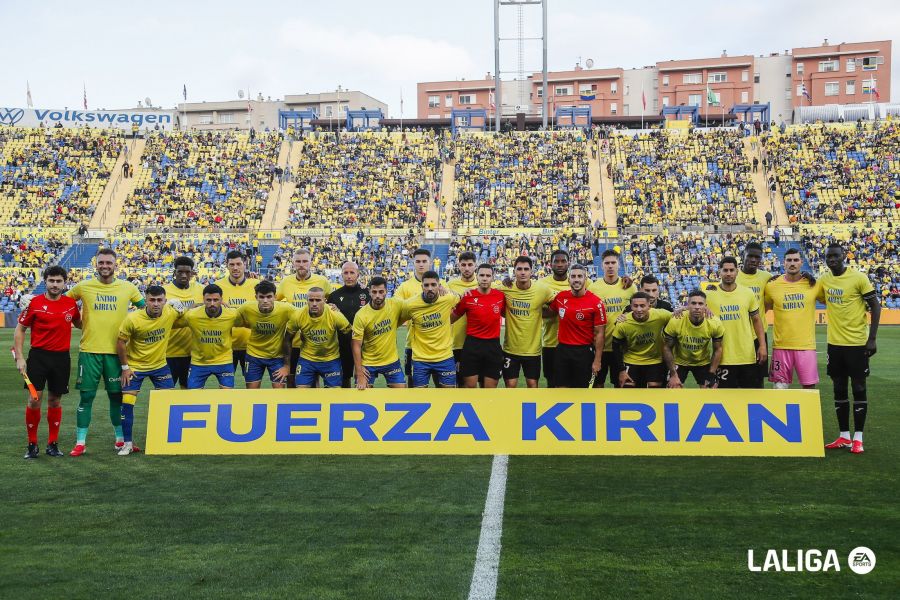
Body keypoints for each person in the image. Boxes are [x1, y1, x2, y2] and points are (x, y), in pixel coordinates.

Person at [66, 249, 145, 457]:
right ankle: (80, 442)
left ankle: (120, 440)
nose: (105, 266)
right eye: (101, 262)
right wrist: (77, 322)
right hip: (89, 351)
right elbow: (64, 303)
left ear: (115, 265)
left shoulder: (128, 287)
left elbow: (145, 310)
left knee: (116, 397)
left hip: (116, 353)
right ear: (96, 264)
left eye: (108, 263)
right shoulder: (84, 286)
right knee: (87, 396)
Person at [819, 243, 881, 453]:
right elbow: (814, 291)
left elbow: (875, 305)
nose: (832, 260)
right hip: (835, 344)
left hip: (856, 343)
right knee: (838, 388)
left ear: (843, 256)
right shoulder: (824, 279)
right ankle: (844, 436)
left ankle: (858, 438)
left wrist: (872, 339)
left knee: (859, 388)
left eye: (835, 256)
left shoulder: (858, 278)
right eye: (829, 257)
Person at [14, 266, 81, 459]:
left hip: (61, 358)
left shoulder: (70, 304)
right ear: (45, 281)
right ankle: (32, 445)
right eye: (51, 280)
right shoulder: (34, 303)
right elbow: (20, 329)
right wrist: (19, 357)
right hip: (38, 357)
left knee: (55, 400)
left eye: (59, 281)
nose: (55, 284)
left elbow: (79, 323)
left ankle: (52, 444)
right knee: (35, 399)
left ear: (65, 282)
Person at [116, 286, 183, 456]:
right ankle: (128, 443)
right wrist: (125, 367)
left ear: (165, 301)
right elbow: (121, 342)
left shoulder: (170, 312)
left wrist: (187, 306)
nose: (155, 304)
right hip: (135, 367)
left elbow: (191, 310)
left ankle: (165, 440)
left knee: (169, 404)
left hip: (160, 366)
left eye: (159, 300)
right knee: (127, 404)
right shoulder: (133, 319)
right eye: (152, 300)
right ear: (145, 300)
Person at [704, 257, 768, 388]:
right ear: (719, 272)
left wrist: (762, 346)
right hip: (723, 358)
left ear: (737, 272)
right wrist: (682, 309)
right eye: (725, 270)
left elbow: (756, 320)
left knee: (751, 399)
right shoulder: (709, 295)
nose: (728, 273)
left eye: (731, 270)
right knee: (726, 400)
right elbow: (694, 307)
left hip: (747, 355)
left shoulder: (747, 293)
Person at [764, 249, 823, 390]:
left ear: (801, 262)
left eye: (796, 260)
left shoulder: (813, 284)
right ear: (783, 263)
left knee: (809, 387)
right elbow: (763, 309)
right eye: (789, 260)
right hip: (781, 346)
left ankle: (807, 413)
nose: (792, 263)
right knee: (779, 388)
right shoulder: (772, 286)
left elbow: (833, 302)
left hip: (806, 346)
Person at [496, 256, 557, 389]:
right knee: (510, 386)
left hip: (533, 351)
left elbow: (557, 303)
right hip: (510, 349)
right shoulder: (505, 287)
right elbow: (486, 289)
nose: (522, 272)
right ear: (514, 271)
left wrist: (544, 314)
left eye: (526, 269)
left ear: (531, 271)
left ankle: (531, 411)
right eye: (519, 269)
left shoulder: (542, 290)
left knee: (532, 385)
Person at [276, 248, 332, 387]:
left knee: (314, 382)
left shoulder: (322, 281)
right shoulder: (285, 282)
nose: (301, 264)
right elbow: (273, 302)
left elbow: (331, 303)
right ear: (293, 263)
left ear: (311, 263)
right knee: (291, 380)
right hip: (293, 342)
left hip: (316, 341)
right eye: (298, 261)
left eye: (305, 261)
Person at [545, 264, 606, 388]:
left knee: (582, 391)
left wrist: (597, 360)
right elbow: (547, 313)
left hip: (584, 352)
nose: (576, 279)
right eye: (573, 276)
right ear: (569, 279)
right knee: (560, 389)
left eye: (580, 276)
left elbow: (600, 334)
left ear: (585, 279)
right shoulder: (561, 297)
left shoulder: (596, 302)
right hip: (562, 350)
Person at [401, 271, 460, 388]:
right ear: (421, 286)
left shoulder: (448, 298)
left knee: (449, 396)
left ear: (439, 285)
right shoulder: (410, 305)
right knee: (419, 399)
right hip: (420, 359)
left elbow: (460, 297)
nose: (430, 288)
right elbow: (397, 319)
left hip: (445, 357)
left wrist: (449, 291)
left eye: (433, 285)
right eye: (426, 285)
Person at [450, 264, 506, 388]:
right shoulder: (468, 296)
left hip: (493, 346)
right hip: (472, 345)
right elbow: (451, 318)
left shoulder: (500, 296)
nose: (485, 278)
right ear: (477, 276)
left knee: (489, 390)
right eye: (481, 275)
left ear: (493, 277)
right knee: (470, 388)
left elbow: (507, 314)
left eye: (488, 275)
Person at [179, 284, 244, 389]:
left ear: (221, 300)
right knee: (193, 396)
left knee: (227, 397)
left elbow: (247, 322)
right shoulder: (192, 315)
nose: (212, 303)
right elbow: (173, 323)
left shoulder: (232, 314)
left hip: (224, 360)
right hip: (199, 362)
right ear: (203, 300)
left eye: (216, 300)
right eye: (208, 300)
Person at [588, 249, 636, 387]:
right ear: (602, 265)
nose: (610, 266)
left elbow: (639, 309)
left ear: (619, 264)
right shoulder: (593, 287)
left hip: (621, 348)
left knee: (622, 385)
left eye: (613, 262)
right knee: (597, 385)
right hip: (599, 347)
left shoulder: (630, 287)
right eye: (607, 263)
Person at [236, 280, 294, 389]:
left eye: (269, 297)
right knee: (252, 392)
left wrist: (329, 307)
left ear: (275, 297)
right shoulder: (246, 308)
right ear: (256, 297)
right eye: (261, 297)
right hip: (254, 356)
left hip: (276, 356)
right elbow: (230, 319)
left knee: (279, 391)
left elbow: (305, 315)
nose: (265, 300)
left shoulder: (286, 309)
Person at [288, 287, 351, 388]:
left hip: (331, 359)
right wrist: (286, 365)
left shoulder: (335, 314)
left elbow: (350, 336)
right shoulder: (298, 315)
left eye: (318, 300)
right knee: (301, 396)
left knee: (333, 397)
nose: (314, 303)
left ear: (325, 301)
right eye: (311, 300)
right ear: (306, 300)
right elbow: (287, 338)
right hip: (307, 359)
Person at [351, 276, 407, 389]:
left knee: (402, 394)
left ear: (386, 291)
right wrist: (359, 371)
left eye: (381, 292)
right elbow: (356, 345)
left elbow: (414, 305)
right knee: (361, 393)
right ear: (369, 292)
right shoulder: (361, 315)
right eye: (374, 292)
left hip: (391, 361)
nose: (377, 295)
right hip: (368, 362)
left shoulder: (395, 304)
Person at [662, 290, 724, 388]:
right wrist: (673, 374)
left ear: (705, 306)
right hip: (680, 361)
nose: (697, 307)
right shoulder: (676, 320)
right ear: (688, 305)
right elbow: (666, 348)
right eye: (693, 303)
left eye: (700, 304)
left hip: (703, 362)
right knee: (673, 388)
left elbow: (718, 349)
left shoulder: (715, 323)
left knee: (710, 389)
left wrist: (711, 374)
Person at [612, 292, 672, 388]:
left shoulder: (660, 315)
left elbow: (679, 317)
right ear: (631, 307)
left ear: (649, 306)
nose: (639, 309)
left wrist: (685, 309)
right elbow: (615, 346)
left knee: (655, 389)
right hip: (632, 360)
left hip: (654, 360)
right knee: (628, 387)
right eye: (635, 306)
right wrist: (622, 370)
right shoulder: (623, 322)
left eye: (642, 306)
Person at [327, 261, 371, 388]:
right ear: (341, 275)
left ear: (358, 274)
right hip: (342, 344)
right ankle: (345, 403)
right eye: (346, 273)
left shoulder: (367, 293)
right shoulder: (334, 296)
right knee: (344, 378)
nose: (349, 276)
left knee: (362, 377)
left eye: (352, 272)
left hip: (363, 344)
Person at [163, 256, 204, 389]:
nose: (184, 275)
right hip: (169, 350)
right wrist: (188, 309)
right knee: (166, 390)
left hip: (192, 352)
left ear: (192, 273)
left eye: (187, 272)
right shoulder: (164, 291)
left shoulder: (201, 289)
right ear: (174, 272)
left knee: (188, 389)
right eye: (180, 272)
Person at [216, 250, 256, 381]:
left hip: (251, 346)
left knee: (252, 384)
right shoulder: (217, 286)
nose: (235, 268)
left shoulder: (256, 285)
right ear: (226, 265)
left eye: (239, 264)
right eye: (232, 264)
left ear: (245, 264)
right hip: (226, 347)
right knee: (226, 386)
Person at [737, 242, 773, 388]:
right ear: (742, 256)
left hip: (759, 336)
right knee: (738, 378)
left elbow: (769, 302)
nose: (753, 260)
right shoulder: (733, 276)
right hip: (739, 335)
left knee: (758, 381)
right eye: (750, 256)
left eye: (757, 257)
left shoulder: (766, 277)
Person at [393, 248, 432, 382]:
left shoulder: (441, 284)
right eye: (418, 261)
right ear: (413, 263)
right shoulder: (405, 287)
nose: (421, 264)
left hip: (438, 344)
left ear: (430, 263)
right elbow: (396, 307)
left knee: (441, 381)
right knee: (411, 379)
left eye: (424, 261)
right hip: (413, 343)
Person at [539, 249, 573, 388]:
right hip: (550, 343)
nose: (560, 264)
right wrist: (554, 309)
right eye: (556, 261)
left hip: (574, 343)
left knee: (573, 385)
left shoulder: (579, 280)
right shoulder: (541, 284)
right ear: (550, 264)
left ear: (568, 263)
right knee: (552, 384)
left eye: (563, 261)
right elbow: (536, 308)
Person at [447, 252, 479, 384]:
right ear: (458, 266)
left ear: (475, 265)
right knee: (460, 384)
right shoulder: (450, 285)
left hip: (478, 342)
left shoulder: (484, 282)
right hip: (456, 343)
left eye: (470, 265)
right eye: (463, 265)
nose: (467, 268)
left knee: (481, 383)